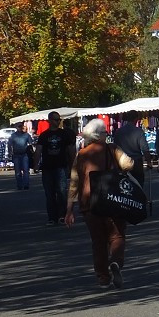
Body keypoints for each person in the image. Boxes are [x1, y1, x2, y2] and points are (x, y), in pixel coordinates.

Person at [64, 119, 135, 289]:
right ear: (100, 135)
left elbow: (74, 182)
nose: (107, 135)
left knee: (98, 241)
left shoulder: (81, 155)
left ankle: (103, 277)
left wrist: (69, 210)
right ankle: (116, 262)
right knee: (117, 235)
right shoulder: (111, 148)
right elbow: (128, 164)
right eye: (105, 133)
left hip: (89, 203)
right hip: (112, 200)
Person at [35, 112, 75, 225]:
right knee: (49, 193)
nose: (58, 122)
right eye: (56, 119)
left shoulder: (64, 134)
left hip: (61, 166)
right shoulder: (44, 135)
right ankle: (52, 217)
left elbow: (70, 151)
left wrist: (73, 166)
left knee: (62, 192)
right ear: (50, 120)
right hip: (47, 167)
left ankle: (62, 215)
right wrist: (36, 164)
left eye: (59, 120)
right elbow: (38, 150)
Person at [112, 110, 150, 183]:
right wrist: (149, 162)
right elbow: (145, 149)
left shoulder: (118, 132)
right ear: (136, 119)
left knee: (123, 184)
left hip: (122, 161)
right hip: (136, 162)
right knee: (138, 185)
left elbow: (115, 148)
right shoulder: (139, 131)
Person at [8, 121, 35, 190]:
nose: (20, 128)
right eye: (18, 126)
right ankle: (19, 185)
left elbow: (31, 143)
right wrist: (10, 153)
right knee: (18, 172)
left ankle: (26, 185)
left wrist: (32, 152)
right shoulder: (13, 136)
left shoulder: (26, 135)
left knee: (26, 170)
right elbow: (9, 145)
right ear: (16, 127)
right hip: (16, 155)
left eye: (21, 126)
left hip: (24, 154)